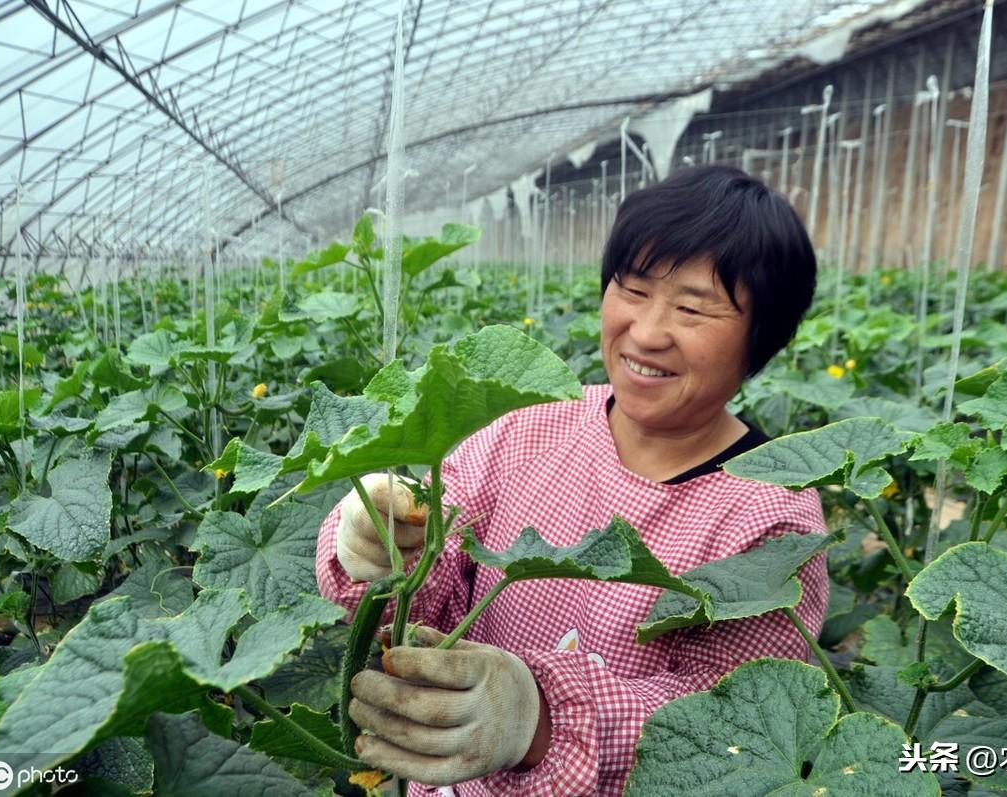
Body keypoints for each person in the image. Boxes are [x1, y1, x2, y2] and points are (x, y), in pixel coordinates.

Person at [315, 165, 828, 796]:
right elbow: (429, 597)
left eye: (693, 308)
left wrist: (538, 718)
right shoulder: (529, 421)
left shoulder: (771, 511)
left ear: (762, 339)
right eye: (634, 291)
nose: (646, 332)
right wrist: (383, 544)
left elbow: (739, 727)